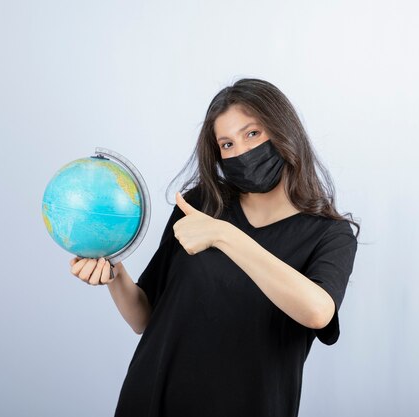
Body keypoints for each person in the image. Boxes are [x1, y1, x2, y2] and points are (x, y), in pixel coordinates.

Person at [69, 78, 360, 417]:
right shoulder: (201, 204)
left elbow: (317, 312)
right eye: (226, 144)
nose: (241, 152)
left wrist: (225, 236)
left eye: (252, 134)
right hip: (152, 399)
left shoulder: (330, 235)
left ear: (283, 130)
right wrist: (114, 273)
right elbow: (144, 317)